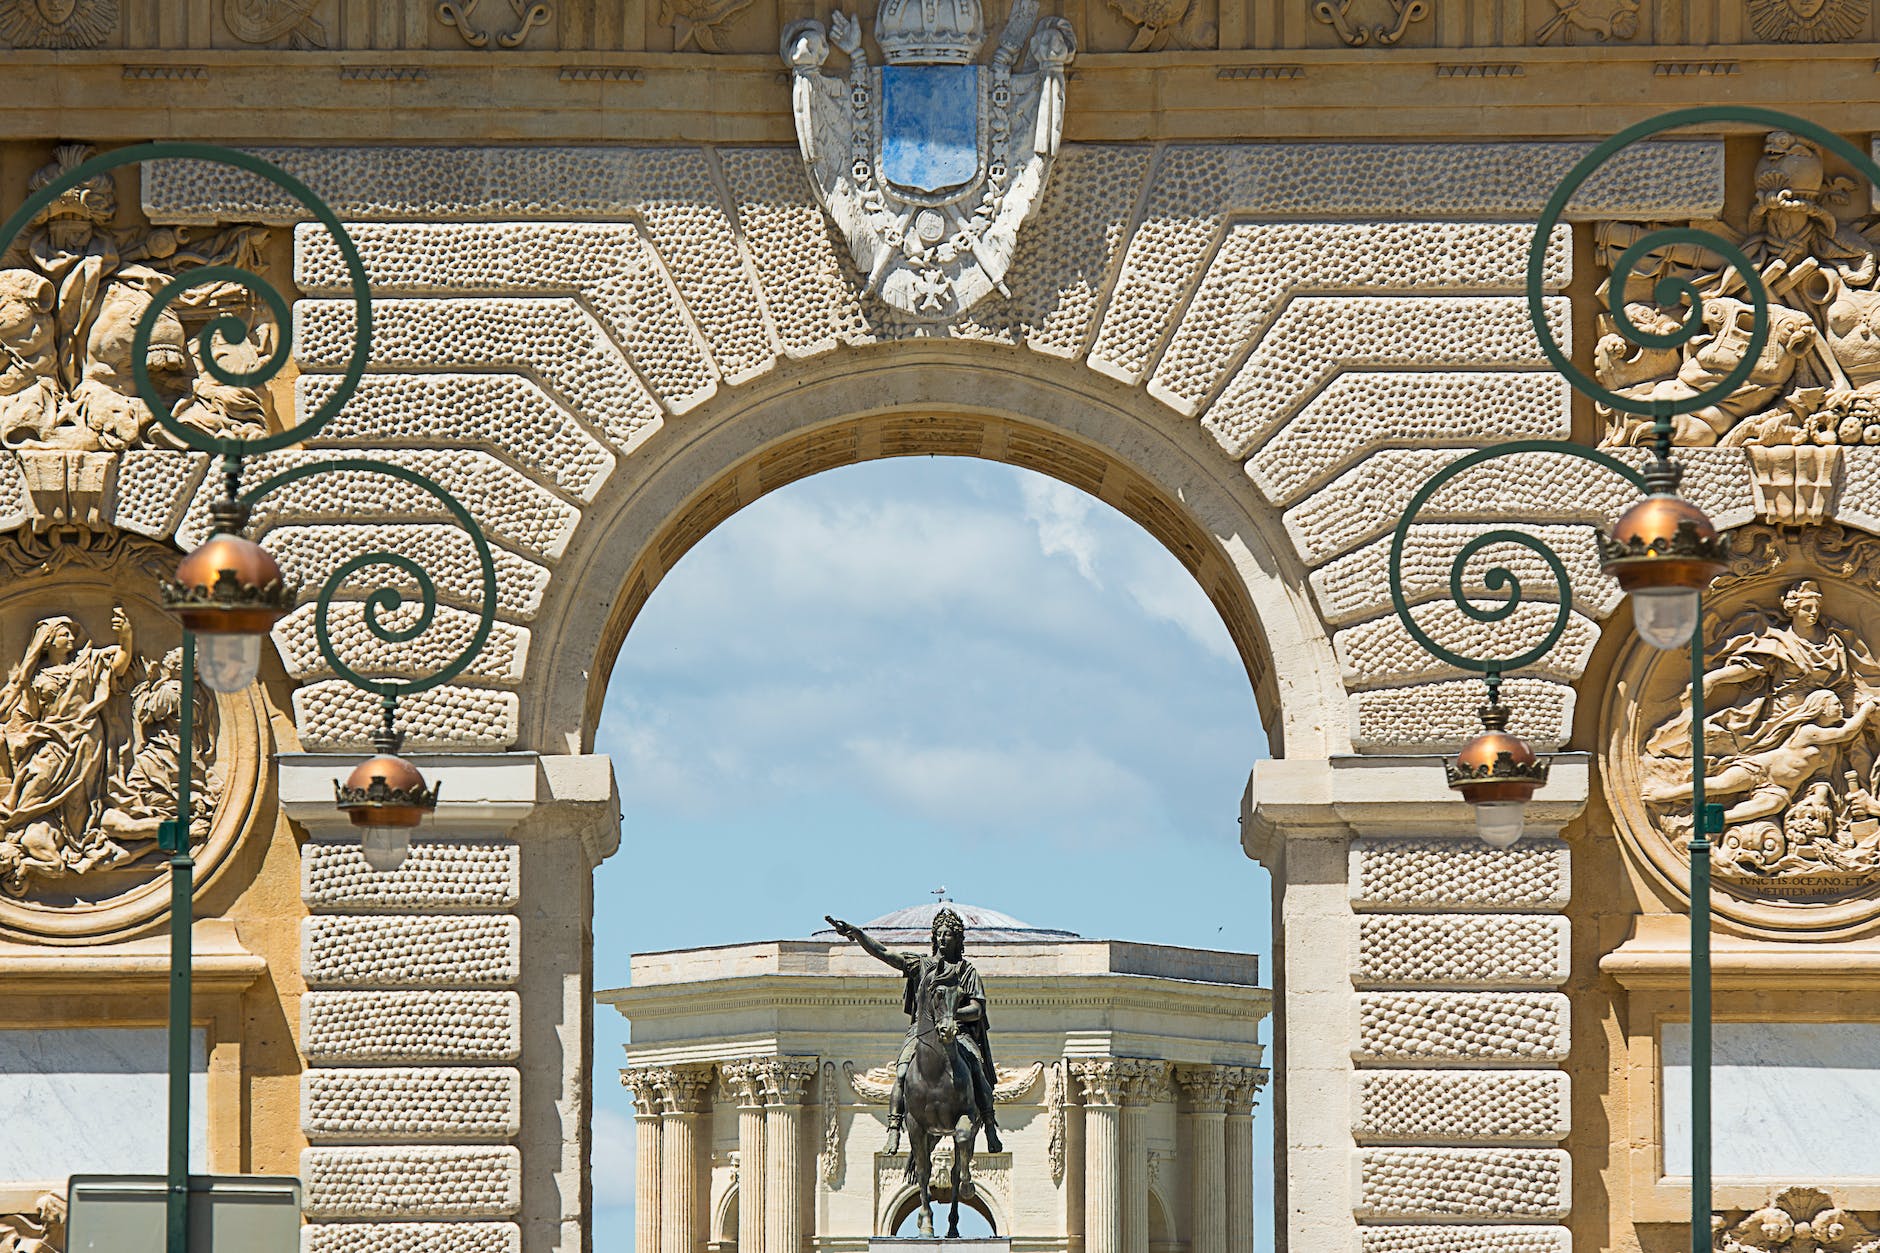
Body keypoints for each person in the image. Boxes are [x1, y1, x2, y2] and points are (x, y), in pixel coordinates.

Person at [824, 908, 1003, 1154]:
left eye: (948, 934)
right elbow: (885, 953)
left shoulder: (966, 971)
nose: (942, 938)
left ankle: (989, 1124)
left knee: (976, 1068)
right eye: (939, 933)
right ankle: (894, 1128)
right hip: (922, 1032)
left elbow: (977, 1009)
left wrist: (951, 1015)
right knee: (902, 1072)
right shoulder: (921, 965)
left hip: (958, 1032)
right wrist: (858, 934)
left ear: (958, 938)